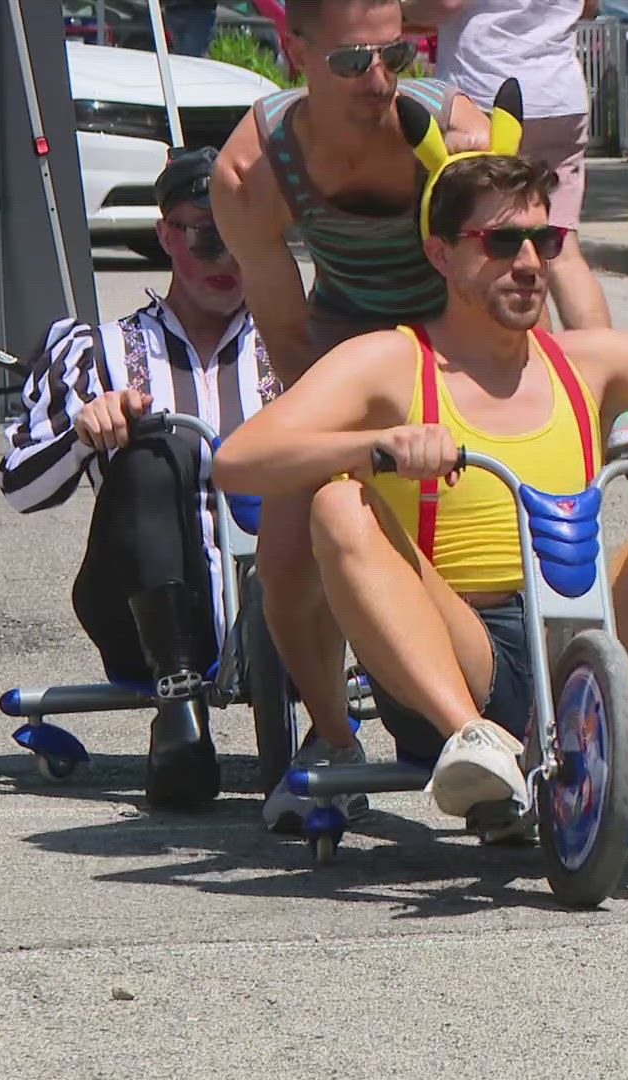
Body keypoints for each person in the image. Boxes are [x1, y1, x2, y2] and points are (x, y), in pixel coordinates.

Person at [216, 146, 628, 836]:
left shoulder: (586, 362)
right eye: (499, 243)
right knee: (335, 500)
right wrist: (376, 449)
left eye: (543, 240)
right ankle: (470, 738)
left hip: (580, 632)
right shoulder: (392, 362)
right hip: (459, 651)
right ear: (441, 255)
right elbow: (240, 461)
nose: (528, 263)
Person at [213, 0, 493, 801]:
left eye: (396, 55)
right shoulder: (252, 170)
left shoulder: (443, 125)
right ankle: (336, 737)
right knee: (288, 544)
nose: (378, 79)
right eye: (350, 62)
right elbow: (286, 331)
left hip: (448, 337)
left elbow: (512, 279)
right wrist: (346, 445)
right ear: (293, 51)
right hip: (337, 343)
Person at [0, 148, 276, 810]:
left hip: (277, 606)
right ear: (165, 235)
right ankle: (178, 709)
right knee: (157, 449)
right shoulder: (95, 349)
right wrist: (83, 432)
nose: (224, 259)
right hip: (138, 613)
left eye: (245, 237)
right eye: (206, 236)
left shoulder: (293, 348)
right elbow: (20, 487)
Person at [403, 0, 615, 330]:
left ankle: (534, 368)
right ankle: (602, 367)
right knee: (565, 251)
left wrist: (398, 13)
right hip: (561, 98)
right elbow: (589, 6)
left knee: (512, 247)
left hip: (492, 95)